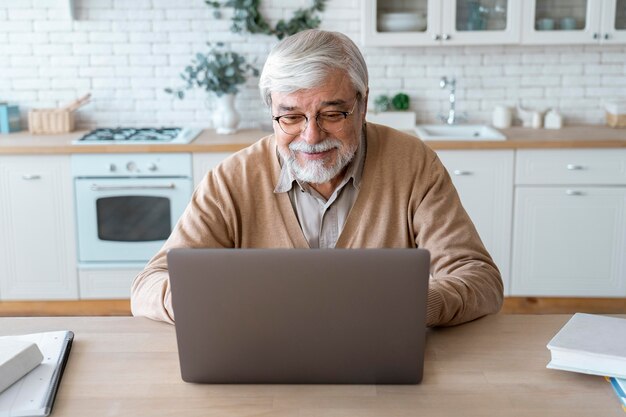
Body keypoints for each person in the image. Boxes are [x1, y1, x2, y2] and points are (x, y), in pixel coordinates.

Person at [131, 29, 503, 327]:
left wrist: (420, 305)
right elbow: (149, 286)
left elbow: (480, 278)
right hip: (263, 369)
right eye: (290, 117)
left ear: (363, 104)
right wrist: (224, 304)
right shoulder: (231, 180)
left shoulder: (413, 163)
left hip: (379, 374)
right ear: (271, 111)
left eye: (332, 114)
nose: (311, 136)